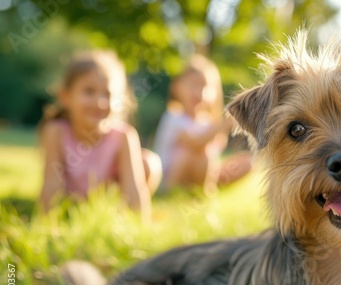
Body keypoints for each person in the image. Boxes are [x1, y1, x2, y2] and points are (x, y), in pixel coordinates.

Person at [39, 50, 162, 221]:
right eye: (89, 91)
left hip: (109, 206)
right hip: (71, 206)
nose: (100, 102)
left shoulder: (123, 135)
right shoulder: (56, 132)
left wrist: (140, 226)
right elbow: (51, 183)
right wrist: (47, 223)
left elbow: (133, 188)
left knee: (148, 162)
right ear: (66, 96)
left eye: (108, 94)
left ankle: (118, 216)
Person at [153, 55, 251, 194]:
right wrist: (223, 125)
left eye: (205, 87)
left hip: (201, 172)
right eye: (193, 85)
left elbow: (217, 148)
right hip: (172, 175)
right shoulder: (173, 117)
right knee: (196, 153)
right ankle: (175, 190)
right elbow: (195, 144)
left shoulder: (207, 122)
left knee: (246, 162)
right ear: (177, 87)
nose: (198, 92)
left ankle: (205, 188)